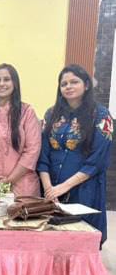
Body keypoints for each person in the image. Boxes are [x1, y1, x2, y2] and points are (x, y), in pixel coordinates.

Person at [37, 64, 113, 248]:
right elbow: (42, 155)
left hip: (84, 189)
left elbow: (97, 161)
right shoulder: (51, 114)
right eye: (64, 84)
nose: (68, 87)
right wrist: (49, 189)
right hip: (51, 190)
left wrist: (63, 187)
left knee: (79, 242)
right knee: (50, 242)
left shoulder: (101, 115)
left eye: (74, 82)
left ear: (86, 85)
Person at [0, 64, 41, 196]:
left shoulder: (27, 112)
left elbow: (32, 151)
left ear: (14, 83)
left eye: (6, 79)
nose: (1, 84)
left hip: (23, 187)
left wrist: (9, 180)